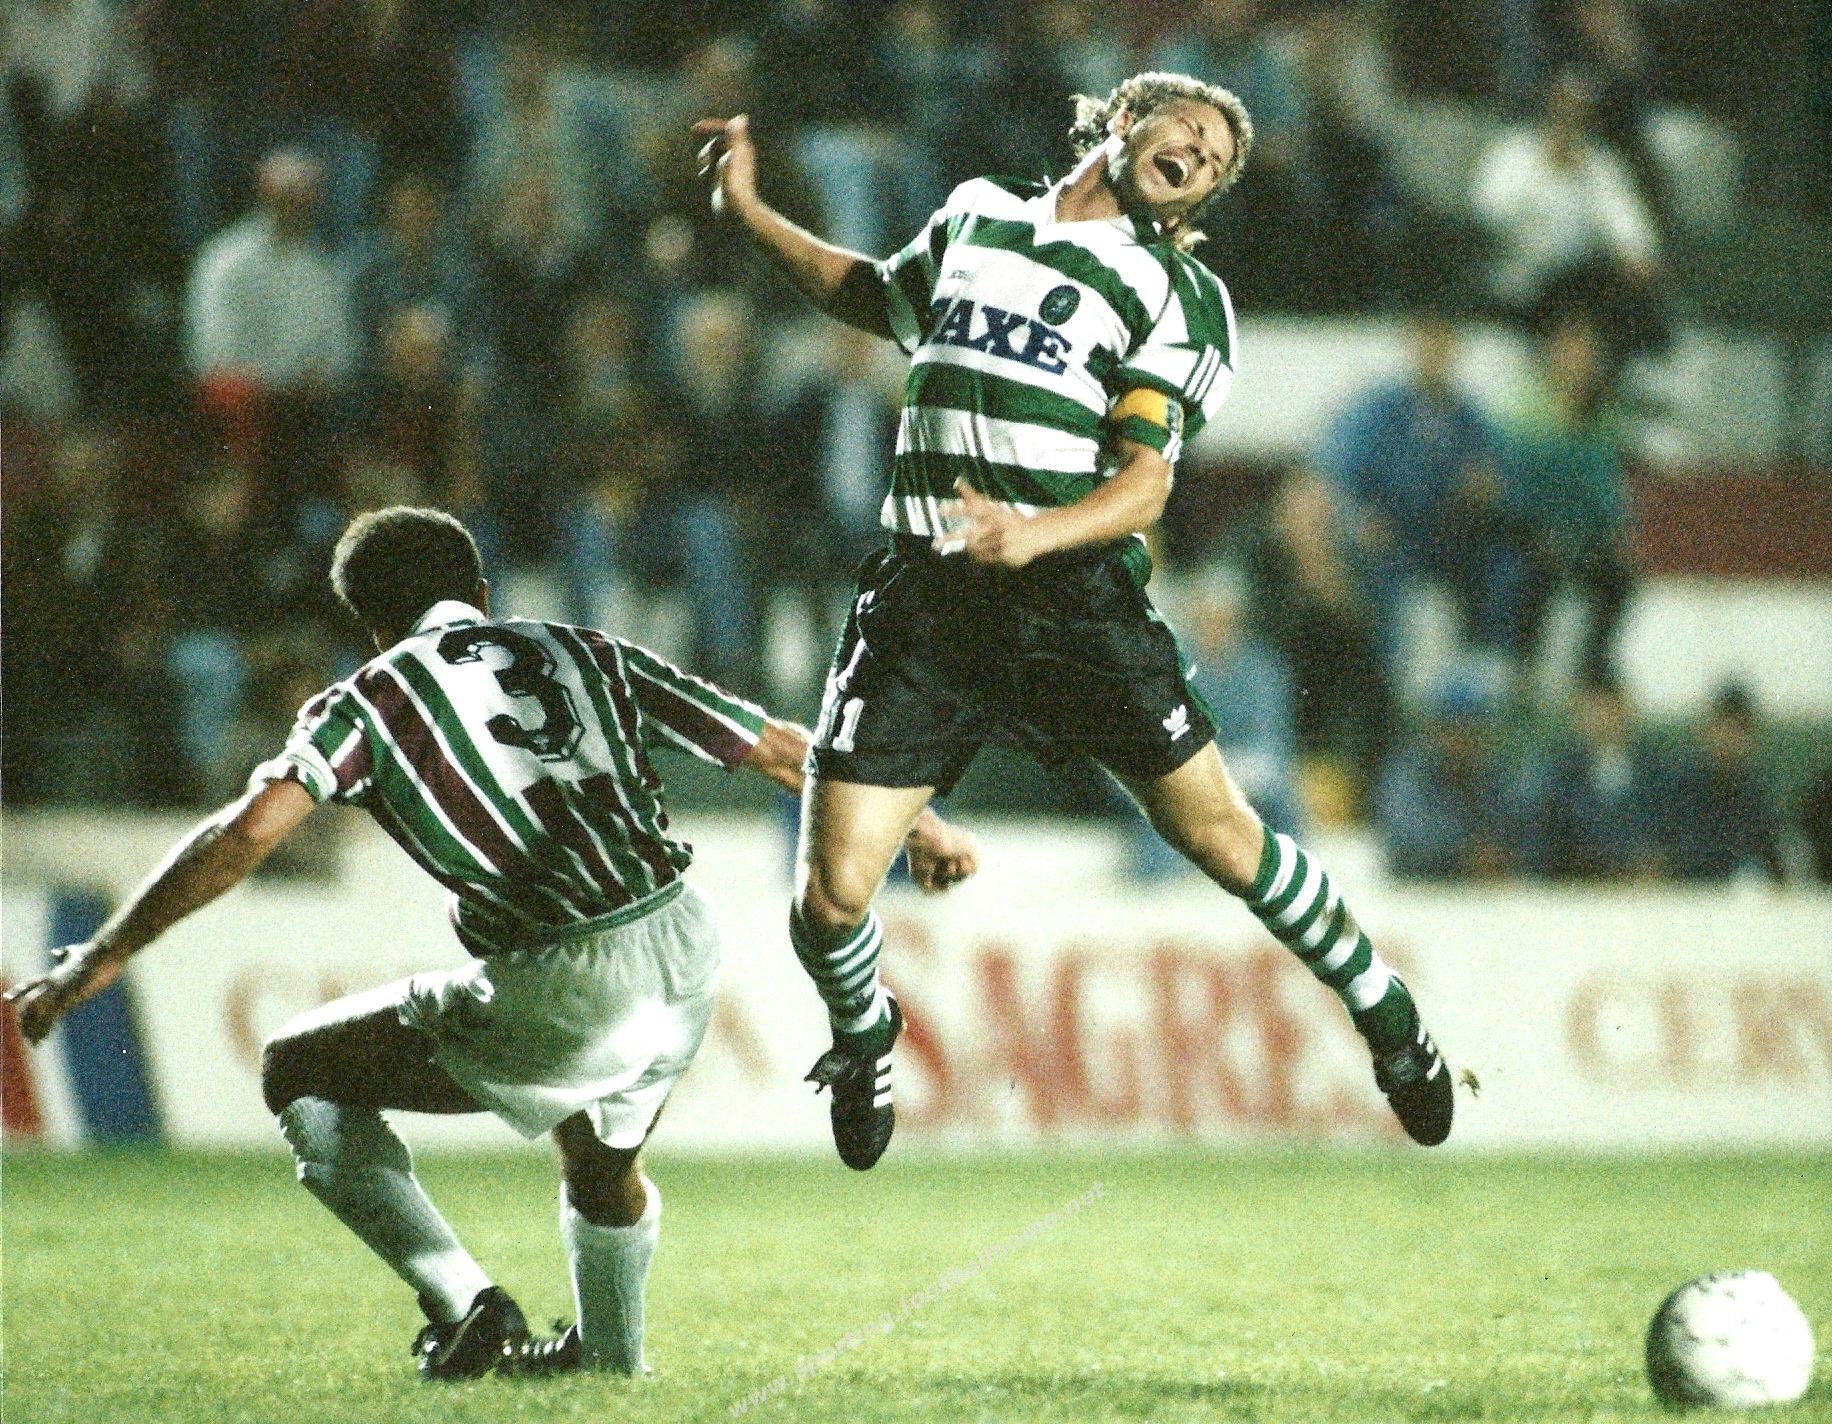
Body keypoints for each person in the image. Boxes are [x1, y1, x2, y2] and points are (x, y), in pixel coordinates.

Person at [6, 506, 978, 1380]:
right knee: (597, 1162)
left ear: (370, 624)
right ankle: (608, 1364)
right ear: (479, 590)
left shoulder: (371, 697)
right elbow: (773, 745)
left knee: (297, 1068)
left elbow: (245, 833)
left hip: (566, 973)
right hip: (683, 940)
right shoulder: (583, 648)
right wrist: (920, 824)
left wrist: (103, 953)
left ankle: (466, 1303)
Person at [693, 70, 1456, 1165]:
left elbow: (1146, 485)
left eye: (1216, 161)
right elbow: (869, 295)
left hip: (1069, 599)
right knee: (828, 896)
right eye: (1188, 129)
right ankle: (863, 1038)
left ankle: (1384, 1009)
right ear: (1124, 119)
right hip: (927, 597)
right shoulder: (977, 213)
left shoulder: (1174, 293)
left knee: (1217, 834)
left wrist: (1035, 534)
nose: (1198, 155)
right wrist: (750, 213)